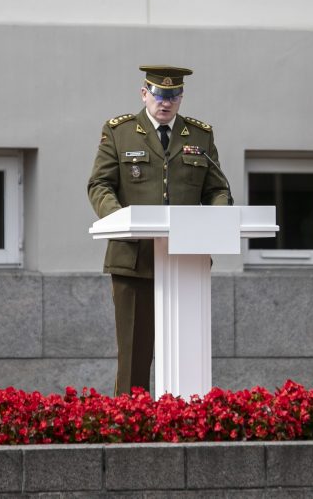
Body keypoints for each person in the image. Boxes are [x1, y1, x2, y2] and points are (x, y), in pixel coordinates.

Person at [87, 65, 232, 396]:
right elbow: (99, 184)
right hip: (133, 257)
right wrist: (120, 219)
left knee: (187, 352)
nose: (164, 103)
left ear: (181, 99)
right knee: (135, 355)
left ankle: (184, 420)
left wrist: (218, 217)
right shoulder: (119, 132)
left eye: (172, 96)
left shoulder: (200, 135)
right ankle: (129, 423)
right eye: (158, 95)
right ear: (144, 94)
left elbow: (216, 189)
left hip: (187, 259)